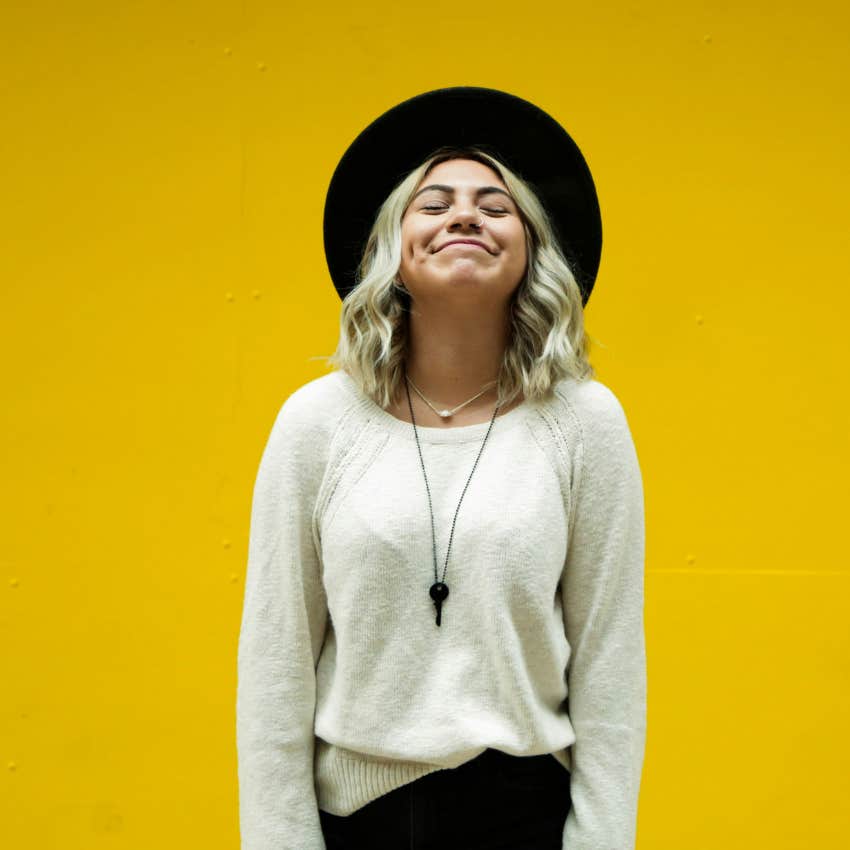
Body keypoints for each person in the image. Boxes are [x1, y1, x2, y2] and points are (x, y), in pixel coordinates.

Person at [236, 86, 646, 850]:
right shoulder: (318, 424)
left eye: (496, 206)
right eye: (433, 204)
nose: (465, 215)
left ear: (531, 251)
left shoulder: (586, 425)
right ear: (391, 251)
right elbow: (275, 662)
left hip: (528, 818)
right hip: (356, 824)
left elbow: (610, 664)